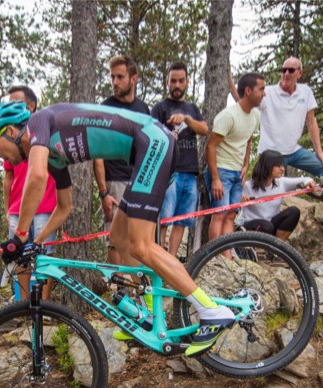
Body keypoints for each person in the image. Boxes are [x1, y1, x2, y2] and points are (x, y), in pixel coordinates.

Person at [0, 100, 235, 356]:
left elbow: (36, 178)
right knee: (119, 237)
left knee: (141, 245)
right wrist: (36, 242)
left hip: (152, 143)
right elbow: (64, 207)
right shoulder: (53, 156)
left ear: (12, 132)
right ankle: (145, 313)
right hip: (147, 149)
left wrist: (19, 235)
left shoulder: (38, 123)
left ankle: (211, 311)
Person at [94, 55, 150, 265]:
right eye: (112, 77)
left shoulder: (143, 109)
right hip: (114, 180)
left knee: (139, 240)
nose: (115, 82)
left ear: (133, 79)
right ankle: (118, 291)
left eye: (120, 77)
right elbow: (96, 153)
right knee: (115, 240)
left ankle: (137, 290)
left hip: (140, 180)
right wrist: (103, 193)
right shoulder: (105, 108)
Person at [4, 85, 57, 300]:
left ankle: (45, 306)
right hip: (18, 207)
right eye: (9, 104)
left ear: (32, 105)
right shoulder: (11, 137)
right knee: (20, 257)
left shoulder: (45, 129)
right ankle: (22, 304)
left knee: (46, 257)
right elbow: (8, 177)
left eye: (17, 102)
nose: (12, 107)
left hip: (45, 205)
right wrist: (8, 209)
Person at [255, 58, 323, 189]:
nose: (286, 73)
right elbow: (244, 100)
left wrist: (319, 151)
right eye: (283, 70)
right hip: (271, 154)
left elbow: (311, 122)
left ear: (300, 73)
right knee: (267, 189)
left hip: (294, 151)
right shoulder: (268, 93)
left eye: (291, 70)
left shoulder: (306, 92)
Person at [152, 61, 208, 257]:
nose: (176, 85)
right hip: (169, 171)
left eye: (180, 81)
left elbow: (204, 129)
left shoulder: (191, 108)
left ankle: (171, 260)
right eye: (173, 81)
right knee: (164, 219)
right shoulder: (160, 108)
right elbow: (151, 134)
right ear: (167, 81)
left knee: (183, 221)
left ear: (187, 81)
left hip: (190, 172)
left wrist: (186, 119)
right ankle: (158, 260)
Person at [207, 72, 264, 247]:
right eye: (261, 89)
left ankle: (227, 255)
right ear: (248, 90)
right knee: (219, 214)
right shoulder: (228, 116)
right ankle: (213, 257)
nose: (264, 93)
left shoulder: (256, 116)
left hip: (237, 171)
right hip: (221, 169)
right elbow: (210, 146)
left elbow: (248, 141)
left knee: (231, 214)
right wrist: (215, 178)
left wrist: (246, 165)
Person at [240, 150, 314, 241]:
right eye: (278, 166)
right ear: (268, 166)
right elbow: (233, 203)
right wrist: (240, 198)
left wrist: (309, 182)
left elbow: (305, 179)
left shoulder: (281, 182)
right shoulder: (247, 186)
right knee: (267, 226)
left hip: (271, 224)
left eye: (282, 165)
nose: (282, 169)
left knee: (294, 212)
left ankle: (276, 249)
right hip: (250, 226)